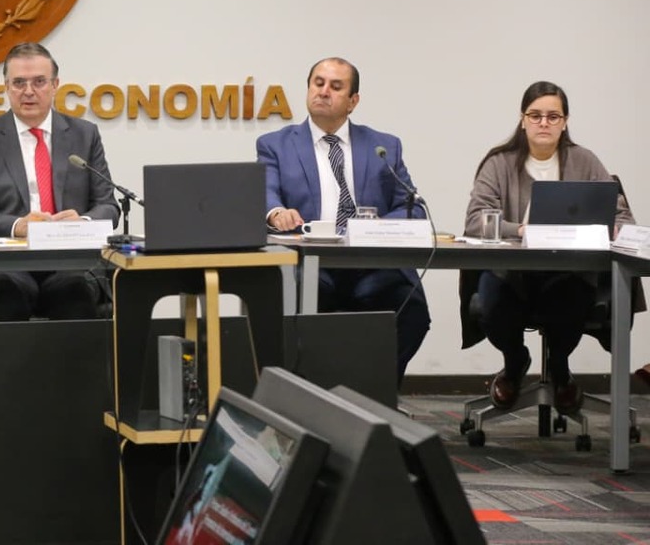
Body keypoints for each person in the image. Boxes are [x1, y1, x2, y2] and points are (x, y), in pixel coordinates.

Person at [462, 80, 634, 415]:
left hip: (567, 272)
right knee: (492, 299)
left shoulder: (585, 161)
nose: (544, 123)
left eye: (553, 116)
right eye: (535, 115)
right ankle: (515, 362)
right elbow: (475, 220)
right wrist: (519, 230)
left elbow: (623, 217)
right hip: (510, 273)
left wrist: (608, 229)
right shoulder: (498, 163)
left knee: (571, 296)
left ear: (565, 122)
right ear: (522, 119)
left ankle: (559, 367)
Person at [255, 57, 430, 383]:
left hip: (372, 266)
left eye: (336, 87)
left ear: (353, 101)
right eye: (318, 83)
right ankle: (314, 397)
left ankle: (375, 393)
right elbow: (265, 191)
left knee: (412, 312)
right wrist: (277, 212)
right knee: (299, 310)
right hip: (310, 266)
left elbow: (412, 208)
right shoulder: (276, 145)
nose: (323, 92)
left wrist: (373, 228)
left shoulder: (383, 147)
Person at [0, 42, 119, 320]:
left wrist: (83, 222)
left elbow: (108, 205)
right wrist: (19, 225)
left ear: (55, 85)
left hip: (71, 262)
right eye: (19, 82)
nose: (29, 91)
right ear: (6, 87)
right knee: (5, 295)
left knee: (74, 294)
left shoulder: (84, 134)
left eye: (39, 82)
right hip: (7, 263)